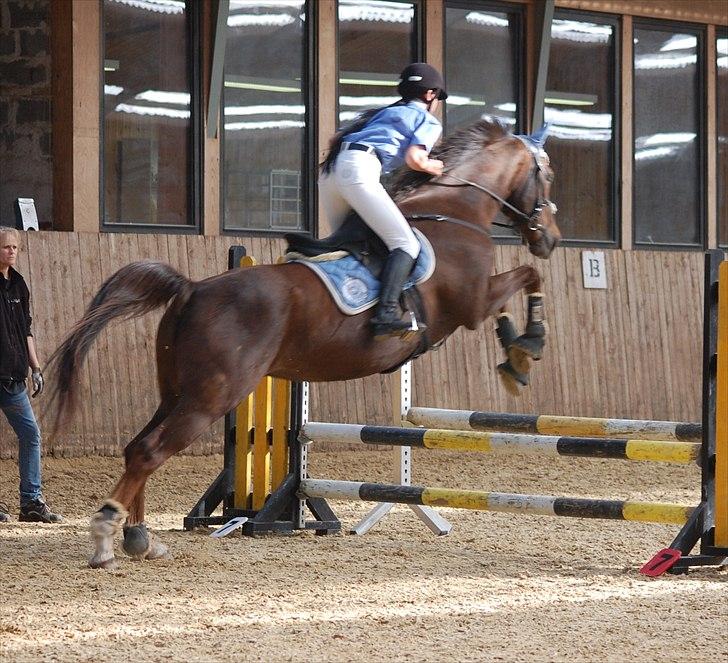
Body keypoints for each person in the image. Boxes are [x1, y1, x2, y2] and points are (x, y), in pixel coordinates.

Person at [319, 62, 447, 339]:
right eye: (437, 98)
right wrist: (435, 167)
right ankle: (385, 314)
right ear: (429, 95)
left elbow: (335, 138)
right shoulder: (427, 119)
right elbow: (415, 159)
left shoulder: (384, 112)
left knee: (348, 243)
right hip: (359, 170)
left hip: (330, 173)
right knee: (406, 244)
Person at [0, 226, 62, 523]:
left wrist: (36, 368)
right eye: (5, 247)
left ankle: (31, 502)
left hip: (13, 378)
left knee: (30, 434)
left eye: (14, 247)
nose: (10, 251)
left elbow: (26, 330)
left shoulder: (19, 285)